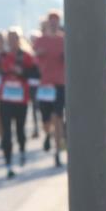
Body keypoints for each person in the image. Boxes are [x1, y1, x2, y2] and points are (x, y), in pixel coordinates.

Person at [0, 28, 39, 179]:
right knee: (6, 132)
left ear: (19, 39)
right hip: (5, 98)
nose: (12, 41)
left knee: (20, 129)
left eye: (15, 38)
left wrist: (22, 72)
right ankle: (8, 164)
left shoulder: (27, 56)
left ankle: (22, 151)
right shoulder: (2, 56)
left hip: (21, 99)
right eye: (10, 38)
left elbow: (35, 74)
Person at [33, 11, 66, 166]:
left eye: (56, 21)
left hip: (60, 84)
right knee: (46, 120)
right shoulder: (40, 40)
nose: (53, 23)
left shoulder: (63, 40)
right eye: (51, 21)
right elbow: (34, 58)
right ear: (48, 23)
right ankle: (48, 133)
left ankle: (57, 151)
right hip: (45, 85)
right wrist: (38, 53)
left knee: (58, 117)